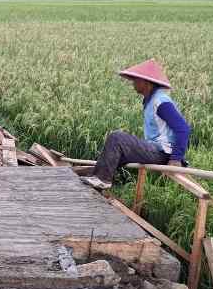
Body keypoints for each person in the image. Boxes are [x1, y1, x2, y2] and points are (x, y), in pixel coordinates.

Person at [81, 59, 192, 190]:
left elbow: (183, 129)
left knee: (117, 138)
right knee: (114, 152)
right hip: (156, 149)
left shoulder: (161, 102)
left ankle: (102, 180)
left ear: (146, 82)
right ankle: (96, 176)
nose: (133, 83)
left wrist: (176, 159)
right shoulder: (150, 100)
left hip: (163, 152)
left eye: (136, 80)